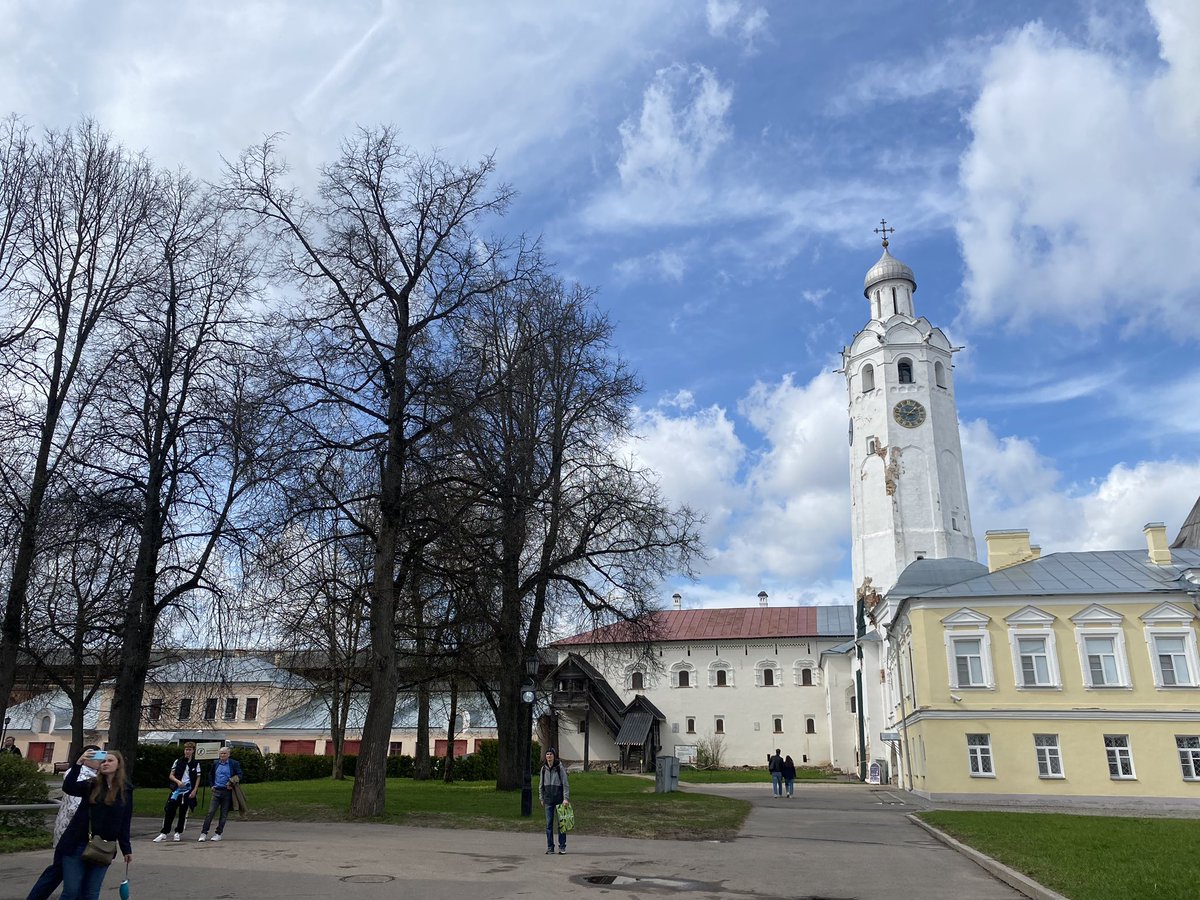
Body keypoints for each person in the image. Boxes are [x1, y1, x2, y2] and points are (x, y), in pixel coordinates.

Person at [53, 749, 133, 900]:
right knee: (71, 891)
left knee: (91, 892)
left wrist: (126, 848)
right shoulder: (91, 784)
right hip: (77, 843)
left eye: (110, 761)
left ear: (119, 765)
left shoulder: (126, 790)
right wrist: (78, 763)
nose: (106, 764)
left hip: (104, 847)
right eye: (103, 761)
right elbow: (68, 787)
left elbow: (124, 821)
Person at [25, 745, 102, 900]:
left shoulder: (94, 775)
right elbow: (75, 805)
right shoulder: (81, 774)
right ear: (87, 759)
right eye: (97, 757)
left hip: (74, 832)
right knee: (59, 871)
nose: (101, 761)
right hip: (70, 832)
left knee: (61, 871)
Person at [154, 741, 201, 842]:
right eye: (186, 749)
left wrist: (194, 790)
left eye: (189, 750)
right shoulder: (178, 761)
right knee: (169, 810)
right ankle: (164, 832)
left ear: (193, 751)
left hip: (188, 791)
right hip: (177, 790)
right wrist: (177, 782)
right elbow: (171, 775)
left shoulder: (196, 763)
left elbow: (198, 777)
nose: (187, 752)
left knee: (183, 813)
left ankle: (178, 832)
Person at [198, 747, 243, 842]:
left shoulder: (234, 763)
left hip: (227, 792)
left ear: (228, 754)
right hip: (216, 791)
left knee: (223, 814)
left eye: (224, 753)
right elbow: (211, 774)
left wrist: (231, 782)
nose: (222, 755)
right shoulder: (215, 763)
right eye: (221, 753)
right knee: (210, 812)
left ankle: (218, 833)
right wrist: (212, 785)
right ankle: (204, 833)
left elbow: (239, 774)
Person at [538, 747, 570, 855]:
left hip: (559, 799)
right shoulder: (543, 769)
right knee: (548, 824)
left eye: (551, 754)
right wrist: (541, 797)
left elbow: (565, 784)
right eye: (547, 754)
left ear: (554, 756)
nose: (549, 756)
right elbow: (541, 785)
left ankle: (562, 846)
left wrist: (565, 798)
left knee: (561, 824)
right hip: (548, 799)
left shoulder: (559, 768)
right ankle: (550, 847)